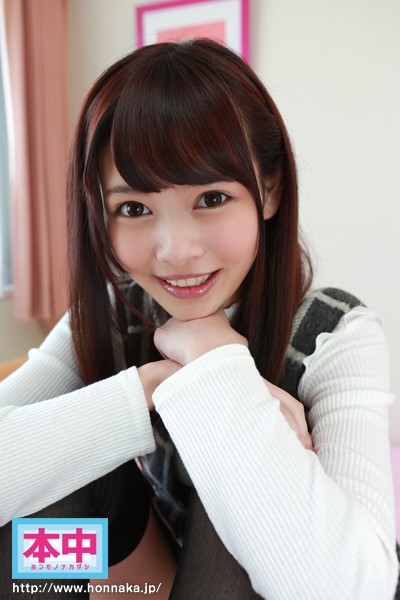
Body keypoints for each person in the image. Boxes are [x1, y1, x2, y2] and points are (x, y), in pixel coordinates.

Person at [0, 39, 398, 599]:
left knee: (237, 480)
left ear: (270, 190)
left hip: (278, 580)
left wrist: (219, 369)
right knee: (43, 506)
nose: (176, 251)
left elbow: (353, 589)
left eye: (211, 199)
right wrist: (149, 386)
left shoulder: (334, 336)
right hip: (151, 578)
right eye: (134, 208)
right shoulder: (114, 313)